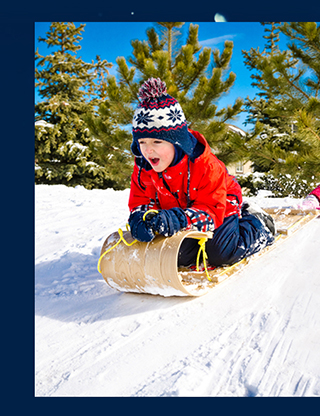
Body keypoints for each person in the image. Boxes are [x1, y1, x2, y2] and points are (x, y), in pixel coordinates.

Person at [128, 78, 275, 268]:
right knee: (176, 255)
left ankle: (257, 224)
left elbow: (212, 210)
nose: (148, 151)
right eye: (142, 143)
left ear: (177, 142)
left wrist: (180, 219)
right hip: (180, 211)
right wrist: (141, 217)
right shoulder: (143, 167)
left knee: (221, 253)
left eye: (157, 142)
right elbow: (140, 200)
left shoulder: (206, 166)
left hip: (219, 204)